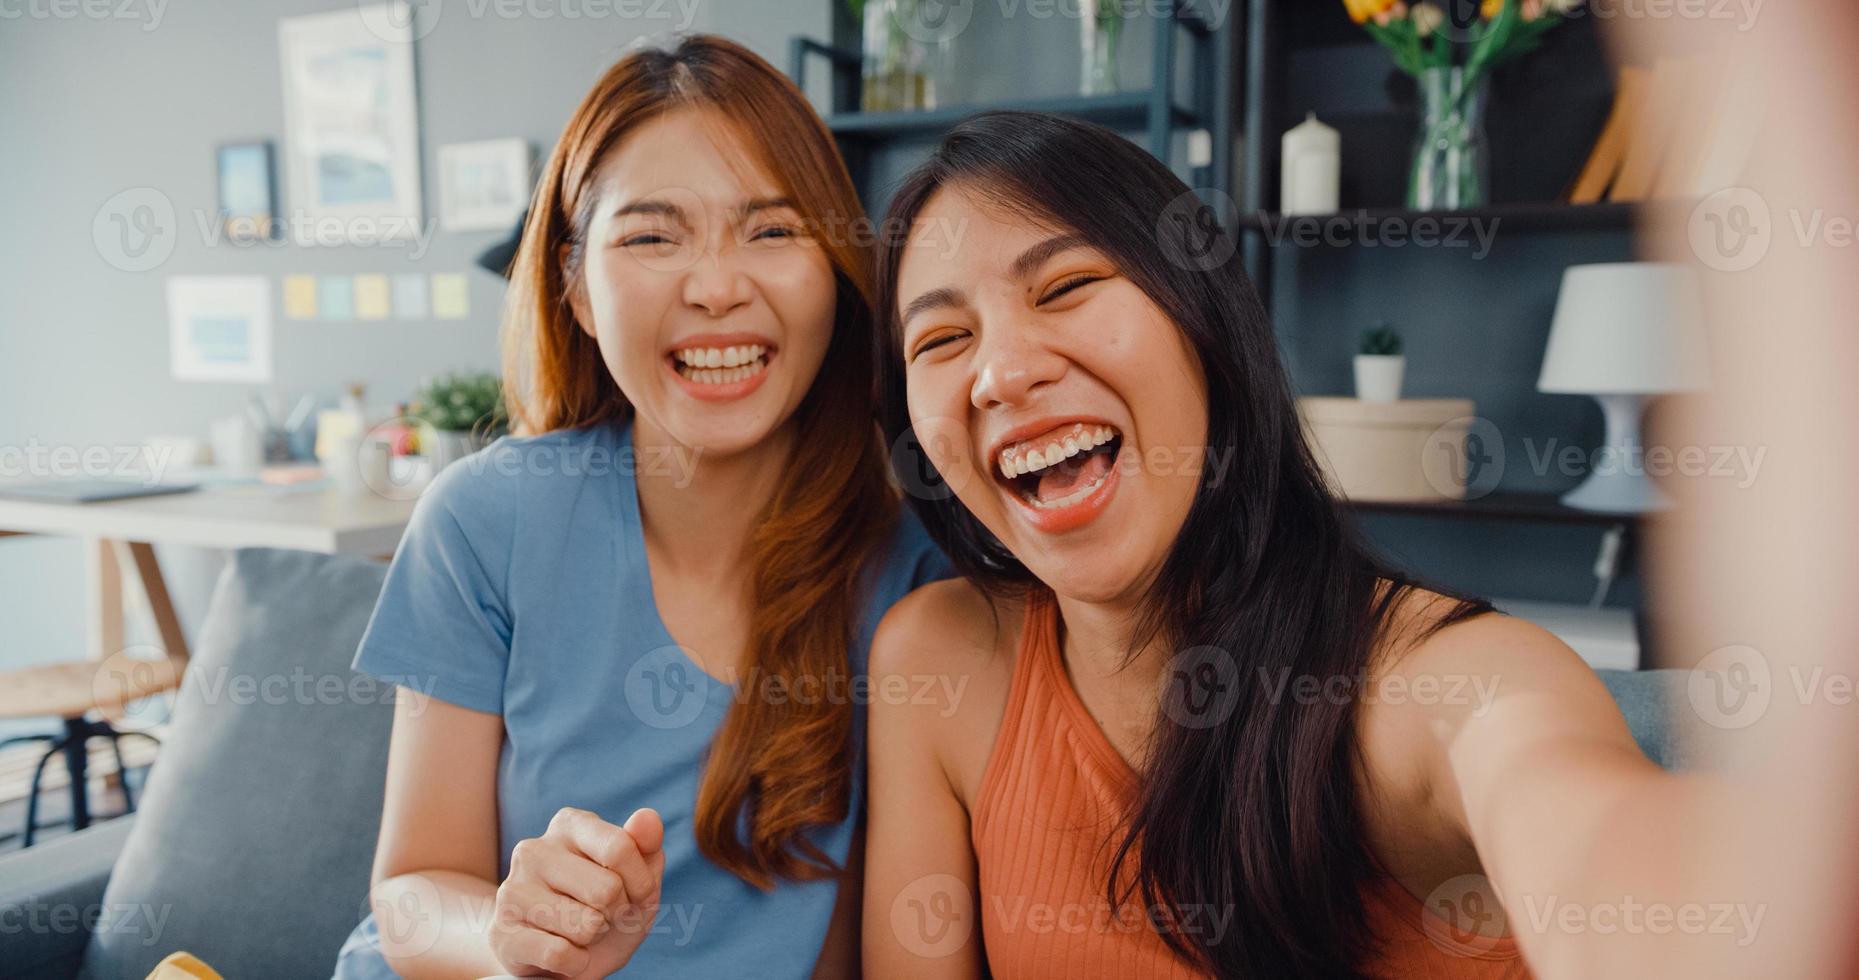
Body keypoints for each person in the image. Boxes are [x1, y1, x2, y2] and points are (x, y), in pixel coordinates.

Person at [862, 109, 1828, 979]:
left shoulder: (1424, 684)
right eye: (939, 342)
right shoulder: (938, 662)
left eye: (1067, 285)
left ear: (1204, 324)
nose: (998, 372)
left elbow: (1571, 809)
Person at [333, 35, 946, 980]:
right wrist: (514, 942)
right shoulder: (482, 522)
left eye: (773, 230)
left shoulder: (914, 578)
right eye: (652, 237)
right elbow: (412, 890)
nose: (715, 288)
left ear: (835, 268)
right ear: (575, 286)